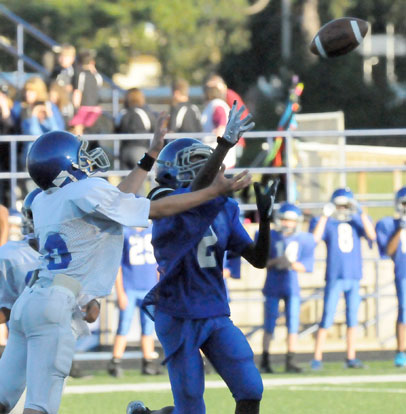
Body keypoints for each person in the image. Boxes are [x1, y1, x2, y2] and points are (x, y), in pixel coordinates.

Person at [0, 107, 250, 414]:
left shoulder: (42, 200)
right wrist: (212, 191)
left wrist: (151, 155)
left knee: (3, 398)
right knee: (39, 406)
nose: (85, 160)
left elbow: (118, 201)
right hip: (57, 302)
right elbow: (153, 210)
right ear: (65, 166)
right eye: (78, 156)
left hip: (29, 302)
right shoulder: (86, 190)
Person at [127, 103, 277, 414]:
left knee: (250, 389)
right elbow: (192, 200)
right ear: (172, 169)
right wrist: (224, 145)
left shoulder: (225, 207)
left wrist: (265, 220)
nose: (205, 168)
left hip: (213, 310)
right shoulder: (161, 199)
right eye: (195, 163)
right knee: (192, 408)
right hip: (177, 312)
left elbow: (258, 260)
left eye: (204, 162)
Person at [309, 187, 376, 370]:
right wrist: (324, 216)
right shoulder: (328, 222)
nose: (343, 209)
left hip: (353, 276)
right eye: (340, 205)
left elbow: (372, 235)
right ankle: (317, 357)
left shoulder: (357, 220)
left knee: (352, 319)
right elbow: (314, 239)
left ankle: (351, 357)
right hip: (335, 276)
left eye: (346, 205)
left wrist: (360, 211)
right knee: (327, 317)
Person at [259, 203, 315, 374]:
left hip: (292, 285)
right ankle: (265, 359)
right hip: (273, 284)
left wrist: (290, 263)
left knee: (293, 323)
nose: (287, 223)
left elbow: (307, 266)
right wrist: (276, 262)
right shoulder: (270, 236)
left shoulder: (304, 238)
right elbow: (260, 262)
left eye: (290, 220)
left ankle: (290, 359)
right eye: (284, 219)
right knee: (269, 324)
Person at [108, 224, 161, 377]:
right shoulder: (125, 232)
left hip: (149, 287)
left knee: (148, 327)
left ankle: (148, 361)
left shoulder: (153, 231)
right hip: (130, 288)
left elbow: (159, 263)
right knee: (123, 325)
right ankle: (116, 361)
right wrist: (120, 292)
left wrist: (160, 287)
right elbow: (117, 266)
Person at [375, 187, 406, 367]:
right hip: (403, 272)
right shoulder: (391, 225)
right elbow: (388, 251)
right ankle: (401, 352)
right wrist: (400, 229)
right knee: (404, 311)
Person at [116, 88, 157, 170]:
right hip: (140, 150)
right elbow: (155, 129)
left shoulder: (122, 113)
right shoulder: (144, 113)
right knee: (143, 179)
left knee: (126, 181)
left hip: (124, 152)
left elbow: (115, 130)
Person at [70, 49, 103, 135]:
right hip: (95, 108)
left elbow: (78, 92)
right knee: (92, 134)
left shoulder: (81, 74)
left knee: (79, 133)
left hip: (83, 108)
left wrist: (75, 108)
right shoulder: (97, 76)